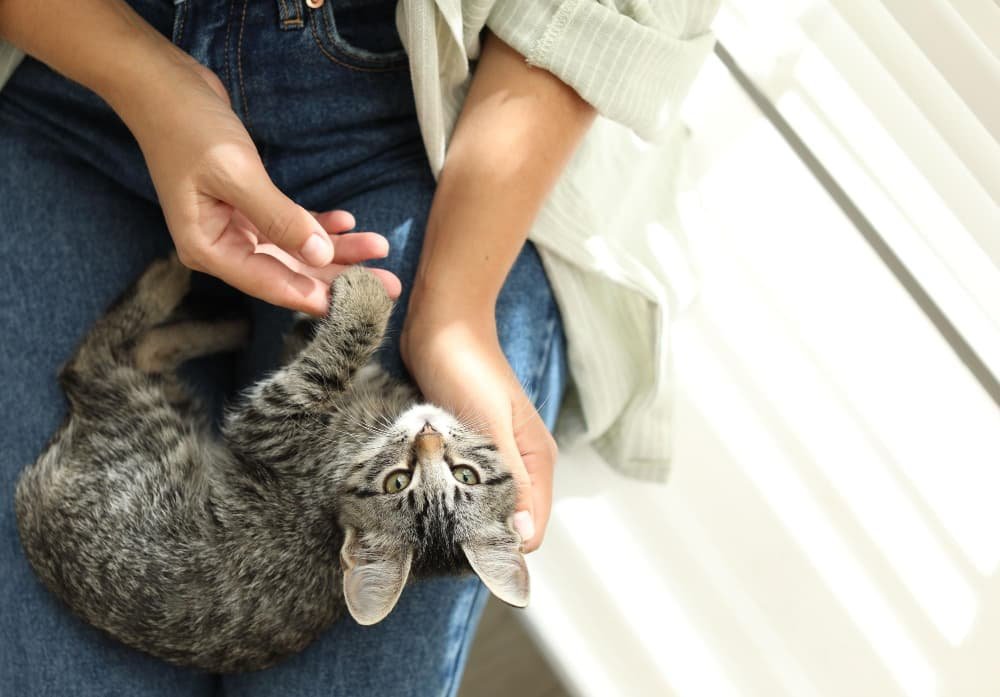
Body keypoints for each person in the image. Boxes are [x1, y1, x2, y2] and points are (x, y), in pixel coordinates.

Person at [0, 0, 719, 695]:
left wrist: (454, 312)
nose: (434, 450)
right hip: (69, 78)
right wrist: (147, 81)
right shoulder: (401, 466)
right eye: (466, 475)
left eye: (410, 481)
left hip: (415, 113)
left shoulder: (376, 515)